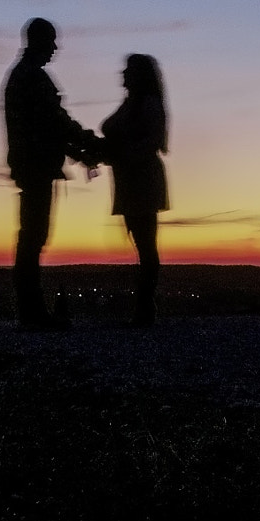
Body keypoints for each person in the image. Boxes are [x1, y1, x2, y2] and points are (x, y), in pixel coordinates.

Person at [2, 18, 100, 329]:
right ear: (37, 41)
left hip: (34, 164)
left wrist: (80, 151)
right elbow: (55, 123)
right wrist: (88, 146)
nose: (55, 48)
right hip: (36, 166)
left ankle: (31, 311)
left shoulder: (25, 76)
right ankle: (31, 313)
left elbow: (51, 125)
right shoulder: (32, 78)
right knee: (33, 237)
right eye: (51, 41)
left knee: (33, 236)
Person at [99, 54, 169, 327]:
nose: (123, 74)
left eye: (128, 70)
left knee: (146, 243)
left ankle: (145, 308)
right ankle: (144, 306)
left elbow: (150, 142)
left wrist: (119, 154)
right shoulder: (132, 104)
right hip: (130, 179)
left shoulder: (148, 104)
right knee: (141, 241)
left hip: (142, 179)